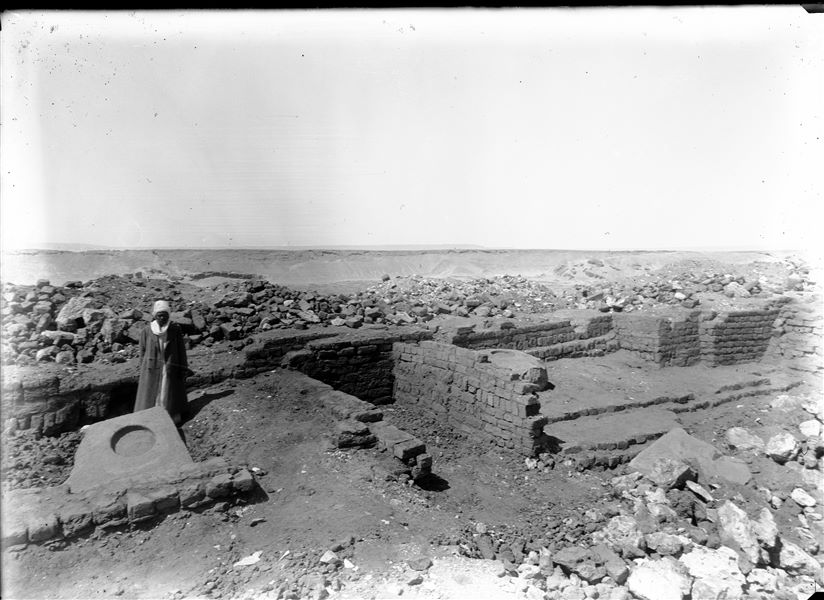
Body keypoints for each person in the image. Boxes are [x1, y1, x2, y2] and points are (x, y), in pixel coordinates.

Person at [133, 300, 190, 425]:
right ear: (155, 316)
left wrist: (183, 367)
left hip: (169, 367)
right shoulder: (147, 331)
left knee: (167, 392)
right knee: (152, 393)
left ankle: (170, 417)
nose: (162, 317)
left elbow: (181, 350)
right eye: (159, 315)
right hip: (151, 368)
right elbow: (142, 351)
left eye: (165, 315)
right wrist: (142, 367)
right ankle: (151, 418)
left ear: (169, 315)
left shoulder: (175, 330)